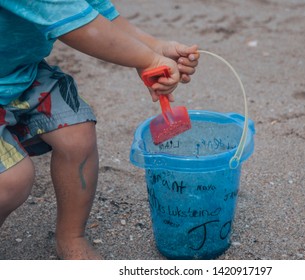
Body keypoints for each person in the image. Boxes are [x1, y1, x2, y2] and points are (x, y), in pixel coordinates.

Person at [0, 0, 199, 259]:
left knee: (77, 135)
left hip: (20, 73)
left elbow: (93, 12)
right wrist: (148, 59)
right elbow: (78, 27)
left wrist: (154, 47)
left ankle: (71, 236)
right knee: (11, 181)